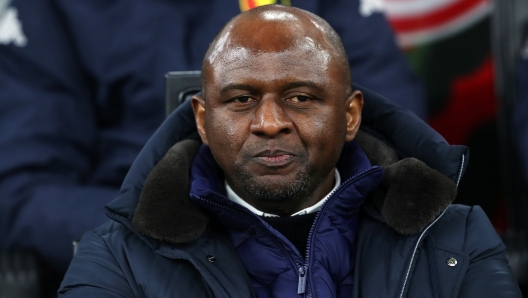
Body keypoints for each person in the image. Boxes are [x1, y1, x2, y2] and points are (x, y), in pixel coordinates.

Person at [57, 5, 521, 297]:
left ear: (351, 114)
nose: (270, 123)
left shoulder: (456, 240)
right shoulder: (116, 257)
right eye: (241, 100)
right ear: (201, 119)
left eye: (301, 97)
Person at [0, 0, 425, 291]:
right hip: (137, 255)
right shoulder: (53, 10)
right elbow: (23, 190)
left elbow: (393, 141)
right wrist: (157, 233)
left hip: (319, 241)